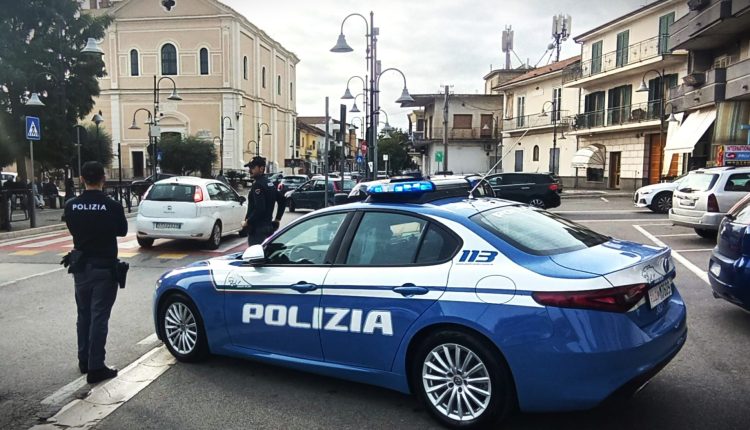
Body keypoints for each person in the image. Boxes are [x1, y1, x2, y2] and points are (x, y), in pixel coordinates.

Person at [64, 161, 128, 384]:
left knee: (83, 315)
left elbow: (72, 229)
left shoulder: (71, 205)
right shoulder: (113, 206)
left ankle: (84, 360)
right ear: (104, 178)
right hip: (104, 268)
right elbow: (122, 231)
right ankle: (96, 367)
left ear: (82, 179)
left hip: (81, 268)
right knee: (99, 317)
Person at [242, 156, 286, 246]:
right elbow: (282, 200)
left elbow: (260, 208)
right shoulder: (269, 183)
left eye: (252, 168)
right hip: (268, 227)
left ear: (261, 169)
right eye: (249, 168)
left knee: (255, 253)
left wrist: (248, 221)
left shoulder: (258, 185)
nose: (250, 170)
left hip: (257, 230)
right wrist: (277, 219)